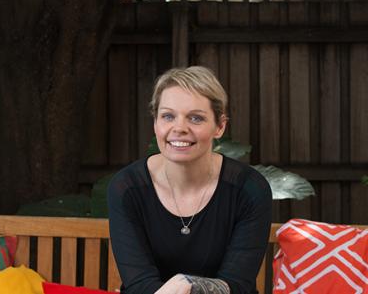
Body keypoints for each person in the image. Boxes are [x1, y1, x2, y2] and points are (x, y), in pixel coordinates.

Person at [107, 66, 272, 294]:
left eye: (195, 118)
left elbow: (238, 285)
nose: (179, 128)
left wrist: (188, 286)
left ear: (220, 126)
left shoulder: (248, 189)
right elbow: (139, 284)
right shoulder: (127, 188)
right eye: (168, 116)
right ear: (155, 123)